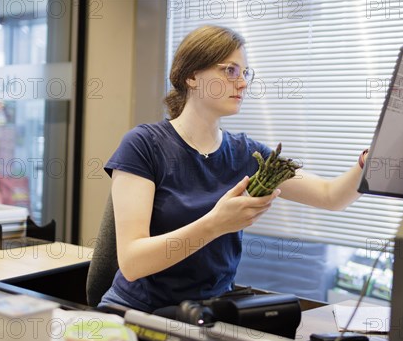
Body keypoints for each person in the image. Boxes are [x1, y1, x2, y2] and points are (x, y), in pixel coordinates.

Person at [99, 25, 368, 312]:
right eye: (230, 71)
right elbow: (131, 262)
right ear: (191, 76)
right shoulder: (143, 145)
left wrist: (366, 163)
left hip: (207, 316)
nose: (242, 83)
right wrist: (215, 224)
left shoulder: (246, 154)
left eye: (245, 73)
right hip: (138, 314)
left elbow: (331, 196)